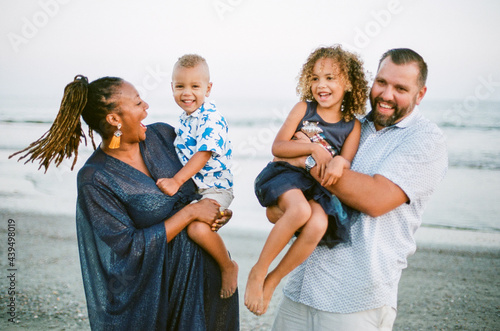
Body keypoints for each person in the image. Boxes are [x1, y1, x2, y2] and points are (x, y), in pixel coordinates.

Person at [9, 75, 239, 330]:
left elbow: (201, 180)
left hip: (208, 274)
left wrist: (216, 211)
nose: (147, 107)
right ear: (114, 119)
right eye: (138, 103)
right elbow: (128, 248)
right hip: (158, 293)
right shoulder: (96, 179)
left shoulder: (163, 136)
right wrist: (189, 213)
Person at [270, 48, 448, 330]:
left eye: (400, 88)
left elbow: (376, 199)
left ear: (420, 94)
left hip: (355, 300)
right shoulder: (350, 126)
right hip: (301, 288)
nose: (387, 95)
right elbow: (283, 183)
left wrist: (307, 158)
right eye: (381, 83)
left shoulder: (426, 140)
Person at [245, 45, 369, 316]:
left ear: (348, 83)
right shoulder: (304, 109)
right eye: (315, 78)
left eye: (329, 78)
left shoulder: (353, 125)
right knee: (299, 211)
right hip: (285, 175)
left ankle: (274, 279)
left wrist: (337, 161)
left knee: (318, 222)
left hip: (315, 186)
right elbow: (278, 147)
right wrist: (313, 148)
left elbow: (345, 160)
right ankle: (259, 270)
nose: (320, 85)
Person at [156, 54, 238, 299]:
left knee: (197, 231)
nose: (186, 93)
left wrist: (176, 181)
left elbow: (203, 154)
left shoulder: (210, 118)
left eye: (195, 86)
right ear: (172, 87)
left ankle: (227, 266)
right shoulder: (186, 119)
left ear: (208, 88)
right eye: (180, 86)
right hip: (197, 189)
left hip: (215, 188)